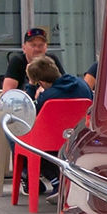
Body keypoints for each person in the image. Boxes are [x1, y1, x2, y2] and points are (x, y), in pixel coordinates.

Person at [24, 56, 92, 199]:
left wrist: (31, 86)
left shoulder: (48, 96)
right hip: (79, 138)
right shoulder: (83, 85)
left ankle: (55, 182)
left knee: (27, 143)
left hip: (51, 143)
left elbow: (29, 112)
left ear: (41, 82)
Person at [2, 27, 64, 95]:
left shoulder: (52, 60)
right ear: (24, 48)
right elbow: (7, 93)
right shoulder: (17, 61)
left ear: (46, 47)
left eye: (41, 45)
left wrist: (46, 91)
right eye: (33, 45)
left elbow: (64, 84)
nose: (37, 49)